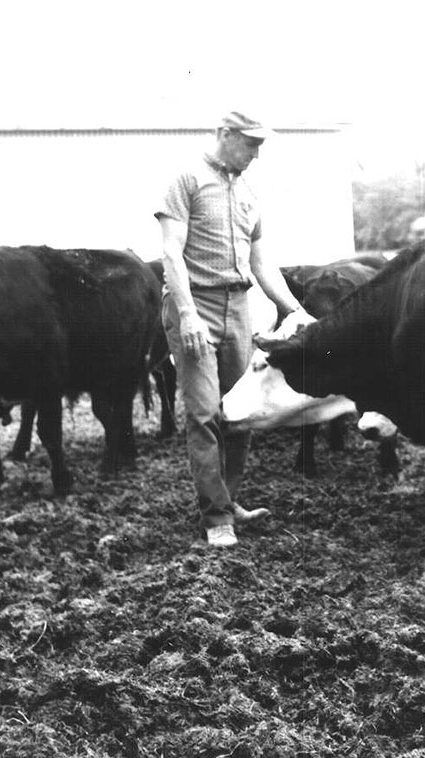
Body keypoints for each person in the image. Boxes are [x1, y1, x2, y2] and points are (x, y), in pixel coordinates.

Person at [155, 110, 311, 548]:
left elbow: (261, 261)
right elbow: (171, 253)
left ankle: (230, 498)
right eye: (250, 144)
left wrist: (294, 310)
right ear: (224, 134)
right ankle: (216, 517)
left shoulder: (248, 190)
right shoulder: (186, 179)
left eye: (260, 146)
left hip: (239, 307)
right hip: (195, 304)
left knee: (240, 410)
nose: (255, 155)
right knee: (204, 412)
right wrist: (186, 313)